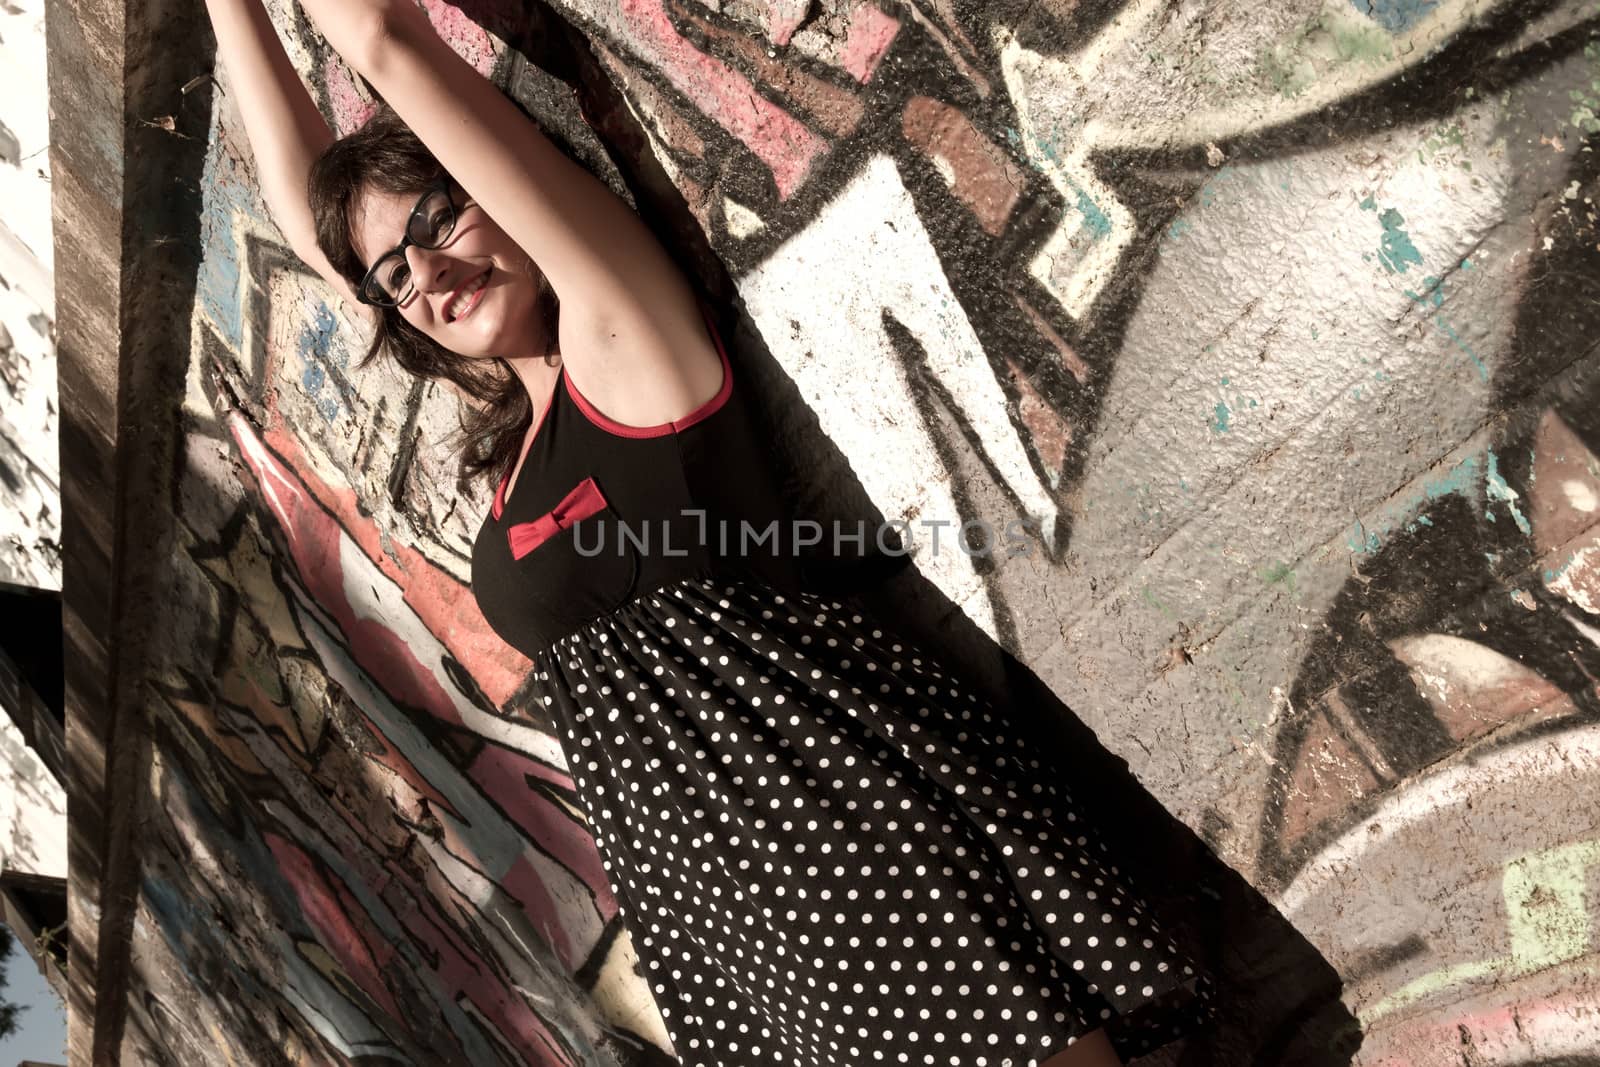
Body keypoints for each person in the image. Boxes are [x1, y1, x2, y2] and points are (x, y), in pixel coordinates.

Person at [203, 0, 1218, 1063]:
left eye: (435, 221)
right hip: (722, 916)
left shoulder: (619, 335)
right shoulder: (513, 433)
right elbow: (310, 216)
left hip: (846, 824)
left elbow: (383, 42)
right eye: (394, 279)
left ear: (498, 185)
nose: (430, 279)